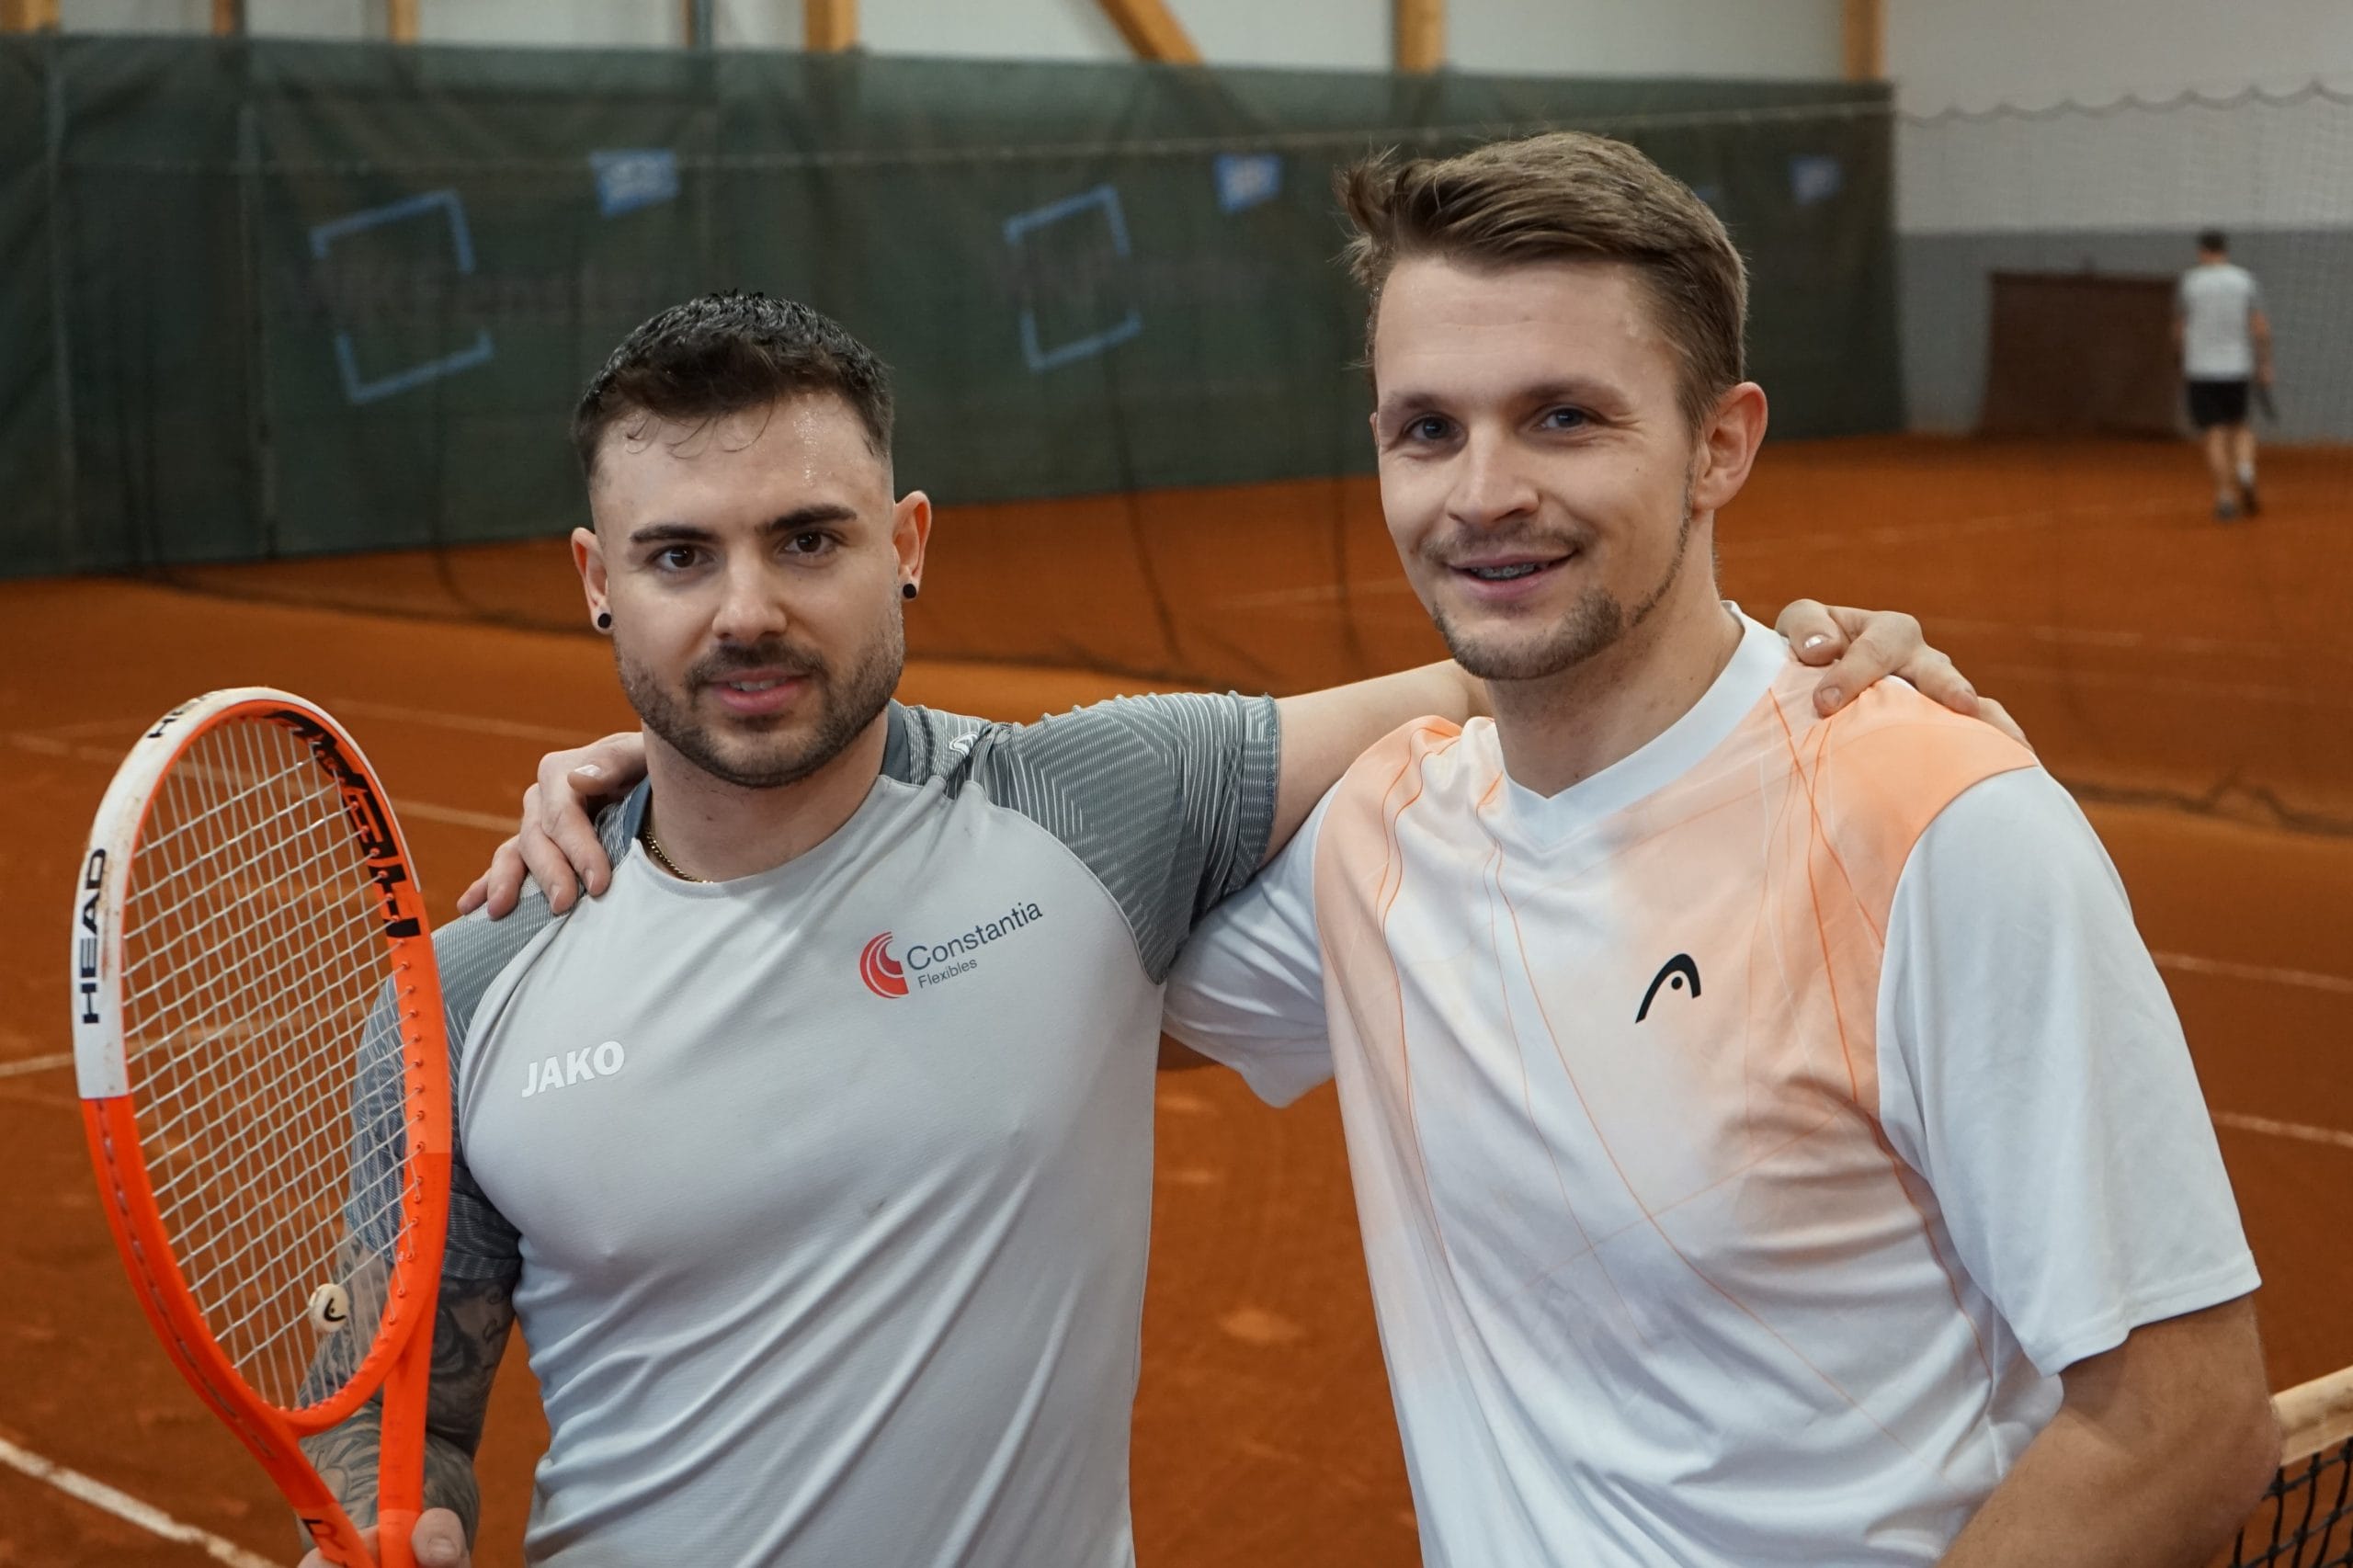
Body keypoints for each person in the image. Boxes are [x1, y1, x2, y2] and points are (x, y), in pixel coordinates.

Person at [303, 291, 1990, 1568]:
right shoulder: (473, 989)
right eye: (680, 555)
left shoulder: (1094, 808)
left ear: (906, 546)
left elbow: (1529, 668)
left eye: (807, 540)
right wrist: (385, 1519)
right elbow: (399, 1418)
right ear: (597, 578)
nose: (747, 609)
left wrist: (1810, 664)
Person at [1160, 133, 2279, 1566]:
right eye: (1426, 429)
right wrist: (1473, 685)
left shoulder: (1941, 821)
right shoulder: (1378, 834)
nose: (1481, 490)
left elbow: (2184, 1419)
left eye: (1564, 417)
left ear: (1721, 445)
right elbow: (1017, 981)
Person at [2177, 228, 2273, 520]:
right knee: (2241, 426)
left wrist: (2180, 358)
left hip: (2201, 368)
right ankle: (2245, 470)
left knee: (2214, 432)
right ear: (2225, 249)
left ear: (2202, 251)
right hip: (2237, 367)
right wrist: (2265, 363)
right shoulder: (2244, 280)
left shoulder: (2190, 283)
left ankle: (2225, 497)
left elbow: (2180, 328)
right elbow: (2260, 327)